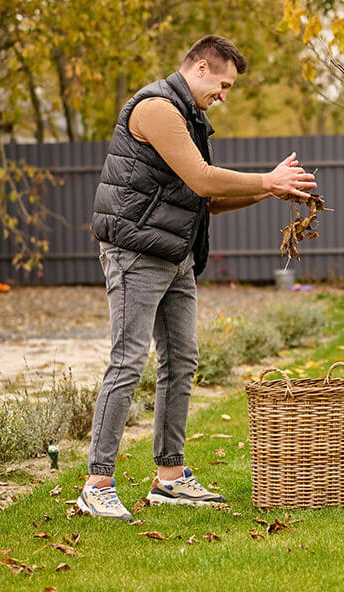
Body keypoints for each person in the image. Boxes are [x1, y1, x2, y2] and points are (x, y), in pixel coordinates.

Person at [77, 35, 316, 521]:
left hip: (175, 254)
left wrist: (269, 192)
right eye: (224, 84)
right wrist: (267, 181)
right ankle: (96, 484)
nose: (226, 94)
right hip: (135, 250)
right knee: (128, 362)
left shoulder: (189, 118)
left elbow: (203, 199)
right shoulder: (157, 109)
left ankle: (169, 477)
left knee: (182, 361)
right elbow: (204, 178)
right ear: (201, 67)